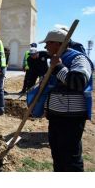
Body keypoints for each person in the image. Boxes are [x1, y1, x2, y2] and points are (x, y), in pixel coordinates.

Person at [39, 29, 93, 171]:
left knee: (70, 159)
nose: (45, 48)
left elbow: (78, 82)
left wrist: (59, 67)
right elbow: (53, 86)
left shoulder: (78, 59)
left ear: (57, 43)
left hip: (71, 119)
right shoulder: (56, 60)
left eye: (47, 44)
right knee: (58, 155)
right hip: (56, 117)